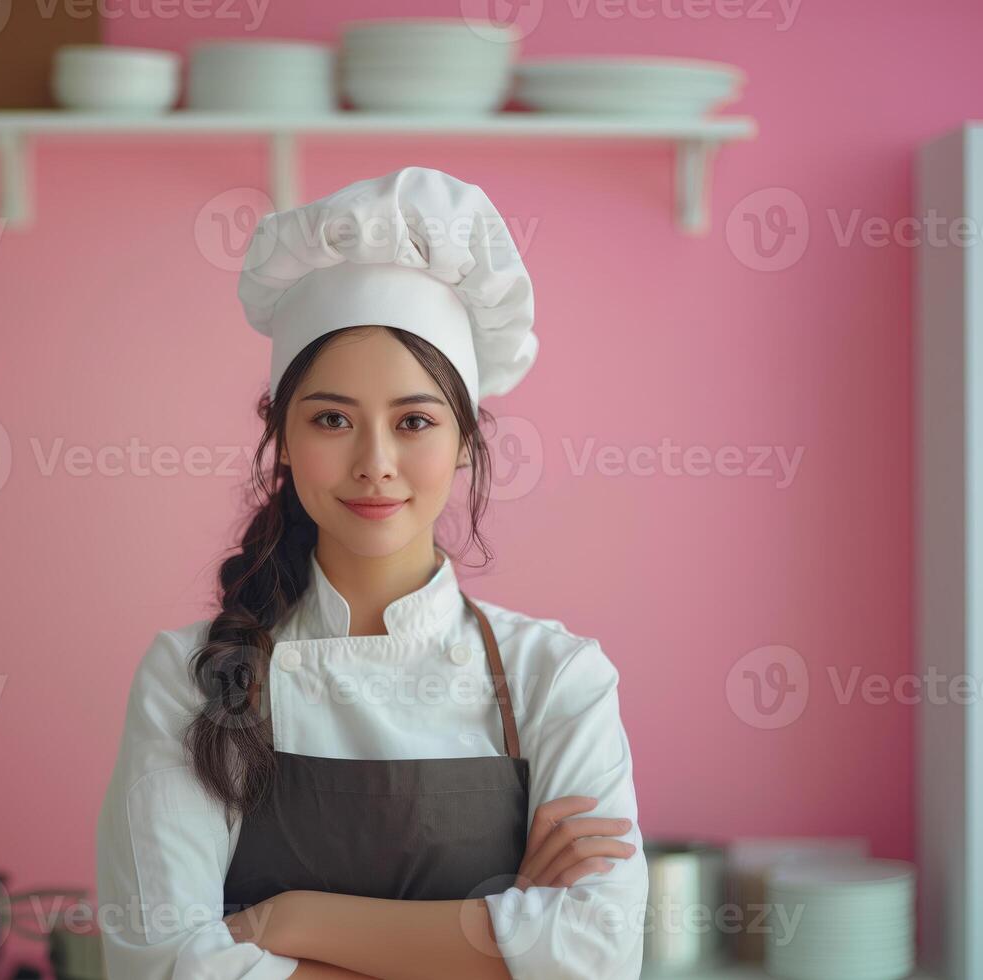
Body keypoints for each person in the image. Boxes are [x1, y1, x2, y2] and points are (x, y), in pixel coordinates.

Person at [94, 166, 648, 979]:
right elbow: (164, 966)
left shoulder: (558, 680)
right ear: (281, 434)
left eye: (415, 420)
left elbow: (599, 958)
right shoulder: (192, 678)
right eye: (331, 419)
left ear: (466, 441)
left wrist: (292, 922)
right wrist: (498, 943)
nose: (375, 464)